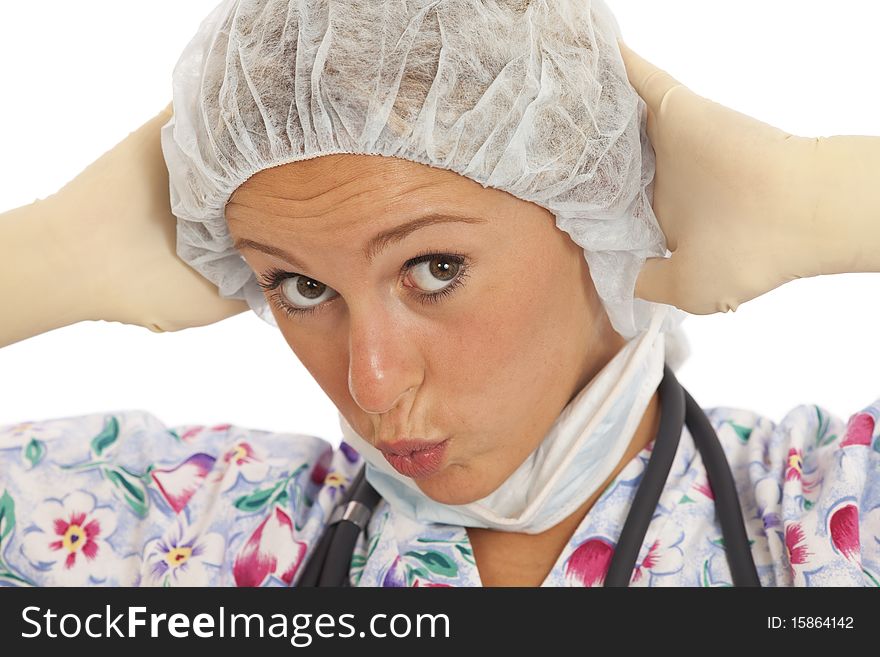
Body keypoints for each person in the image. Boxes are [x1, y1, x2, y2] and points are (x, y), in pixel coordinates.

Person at [0, 0, 878, 587]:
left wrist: (822, 196)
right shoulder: (178, 523)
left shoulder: (829, 511)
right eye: (302, 284)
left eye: (435, 268)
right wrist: (40, 260)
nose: (371, 384)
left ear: (599, 206)